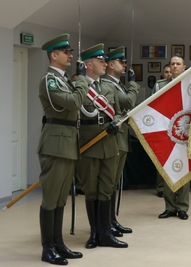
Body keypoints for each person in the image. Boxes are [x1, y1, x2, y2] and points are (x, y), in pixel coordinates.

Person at [37, 33, 85, 265]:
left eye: (70, 52)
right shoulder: (50, 80)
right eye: (66, 52)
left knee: (61, 200)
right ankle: (48, 248)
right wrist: (82, 81)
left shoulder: (64, 79)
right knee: (51, 198)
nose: (70, 55)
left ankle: (58, 243)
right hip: (55, 143)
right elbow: (75, 103)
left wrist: (77, 83)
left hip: (66, 142)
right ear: (54, 55)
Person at [75, 43, 128, 249]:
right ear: (89, 64)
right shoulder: (79, 87)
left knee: (106, 189)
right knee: (91, 190)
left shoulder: (108, 87)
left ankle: (106, 233)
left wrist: (116, 123)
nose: (105, 64)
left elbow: (117, 111)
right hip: (89, 144)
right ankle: (94, 233)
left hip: (109, 144)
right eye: (100, 61)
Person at [101, 46, 139, 236]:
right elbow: (128, 102)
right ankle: (107, 222)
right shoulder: (107, 84)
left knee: (114, 182)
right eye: (120, 62)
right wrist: (133, 84)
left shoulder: (116, 84)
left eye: (124, 62)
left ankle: (112, 220)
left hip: (121, 137)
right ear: (110, 65)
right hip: (115, 138)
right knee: (109, 182)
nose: (124, 65)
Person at [155, 56, 190, 220]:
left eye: (178, 64)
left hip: (184, 132)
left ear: (184, 67)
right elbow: (153, 109)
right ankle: (169, 207)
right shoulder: (160, 86)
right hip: (166, 132)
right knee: (167, 170)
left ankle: (182, 207)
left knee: (184, 170)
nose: (175, 66)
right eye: (172, 64)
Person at [152, 63, 172, 197]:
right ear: (162, 74)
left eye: (170, 72)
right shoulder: (159, 85)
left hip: (177, 126)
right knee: (162, 159)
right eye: (166, 72)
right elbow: (152, 106)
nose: (169, 74)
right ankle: (160, 188)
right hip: (162, 127)